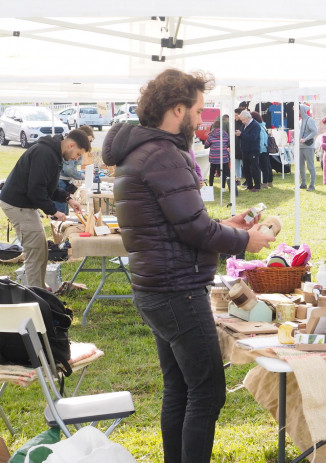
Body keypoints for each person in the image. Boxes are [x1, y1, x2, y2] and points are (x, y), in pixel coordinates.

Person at [102, 69, 275, 463]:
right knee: (206, 391)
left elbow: (180, 223)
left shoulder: (142, 151)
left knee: (179, 387)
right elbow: (192, 227)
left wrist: (226, 227)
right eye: (198, 109)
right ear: (177, 109)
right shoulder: (163, 153)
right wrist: (246, 239)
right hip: (175, 289)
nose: (202, 117)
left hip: (157, 286)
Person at [0, 130, 88, 288]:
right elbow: (36, 190)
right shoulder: (45, 153)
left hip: (24, 204)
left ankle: (40, 290)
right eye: (78, 153)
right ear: (71, 145)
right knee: (35, 252)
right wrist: (54, 211)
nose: (77, 158)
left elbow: (49, 189)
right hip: (17, 205)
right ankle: (36, 298)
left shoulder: (53, 153)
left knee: (41, 250)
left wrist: (68, 198)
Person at [55, 125, 94, 214]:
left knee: (64, 211)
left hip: (63, 183)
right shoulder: (70, 151)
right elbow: (68, 169)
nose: (76, 158)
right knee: (61, 213)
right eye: (89, 140)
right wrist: (80, 175)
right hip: (61, 182)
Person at [204, 118, 231, 190]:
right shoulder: (225, 134)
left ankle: (210, 187)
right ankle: (223, 188)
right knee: (224, 172)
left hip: (214, 157)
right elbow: (229, 143)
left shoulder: (211, 134)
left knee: (212, 172)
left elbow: (206, 145)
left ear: (214, 126)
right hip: (224, 157)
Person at [239, 109, 262, 191]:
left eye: (243, 120)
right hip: (245, 150)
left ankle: (257, 186)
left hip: (253, 150)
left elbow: (253, 138)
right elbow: (243, 136)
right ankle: (249, 186)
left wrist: (241, 134)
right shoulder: (243, 126)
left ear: (248, 117)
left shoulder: (255, 125)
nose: (242, 122)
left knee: (254, 168)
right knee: (246, 169)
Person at [299, 104, 318, 191]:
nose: (296, 112)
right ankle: (303, 183)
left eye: (298, 110)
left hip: (308, 146)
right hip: (300, 146)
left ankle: (312, 185)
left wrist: (305, 139)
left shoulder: (309, 120)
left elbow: (315, 131)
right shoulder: (300, 121)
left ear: (301, 110)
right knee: (300, 166)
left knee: (310, 166)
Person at [252, 111, 273, 189]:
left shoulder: (258, 127)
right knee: (267, 166)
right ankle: (269, 182)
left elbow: (261, 139)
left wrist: (259, 150)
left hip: (262, 149)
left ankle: (265, 183)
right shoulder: (263, 126)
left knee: (264, 167)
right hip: (265, 149)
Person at [233, 108, 244, 183]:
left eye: (236, 115)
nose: (235, 117)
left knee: (245, 164)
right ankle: (238, 179)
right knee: (236, 163)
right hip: (236, 145)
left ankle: (247, 178)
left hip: (242, 145)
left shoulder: (244, 123)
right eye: (234, 115)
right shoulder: (234, 123)